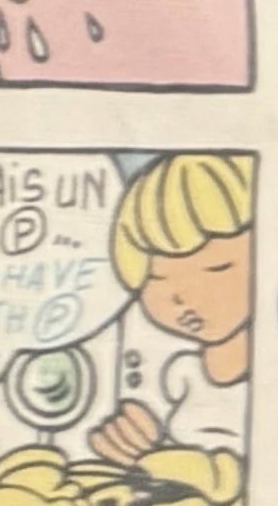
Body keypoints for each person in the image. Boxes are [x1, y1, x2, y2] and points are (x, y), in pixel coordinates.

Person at [90, 152, 253, 461]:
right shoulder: (183, 372)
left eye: (216, 268)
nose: (181, 297)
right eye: (158, 278)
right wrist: (142, 444)